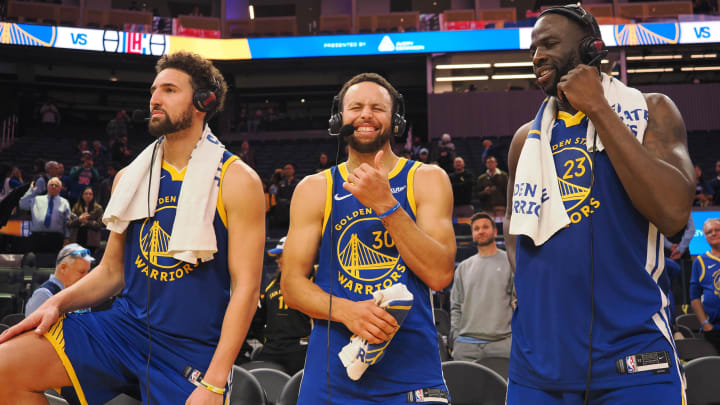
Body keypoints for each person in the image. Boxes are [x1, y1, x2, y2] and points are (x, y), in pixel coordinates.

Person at [0, 51, 265, 405]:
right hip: (123, 331)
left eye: (170, 90)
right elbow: (112, 271)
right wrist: (57, 303)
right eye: (154, 90)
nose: (155, 98)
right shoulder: (130, 175)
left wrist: (215, 383)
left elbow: (246, 290)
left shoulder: (237, 181)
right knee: (5, 368)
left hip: (190, 347)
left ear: (204, 101)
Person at [504, 5, 694, 404]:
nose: (537, 55)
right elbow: (513, 229)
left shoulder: (652, 109)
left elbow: (674, 214)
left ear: (592, 49)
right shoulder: (525, 139)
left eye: (550, 44)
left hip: (634, 358)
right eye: (533, 47)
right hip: (538, 363)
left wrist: (599, 109)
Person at [281, 73, 455, 404]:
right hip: (332, 376)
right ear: (339, 118)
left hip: (412, 374)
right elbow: (291, 285)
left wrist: (386, 205)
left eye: (377, 108)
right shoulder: (315, 188)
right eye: (355, 107)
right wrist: (347, 311)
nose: (365, 115)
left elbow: (439, 274)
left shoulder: (428, 179)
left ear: (396, 120)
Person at [450, 212, 513, 361]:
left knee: (505, 385)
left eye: (485, 227)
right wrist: (456, 336)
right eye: (476, 228)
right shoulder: (463, 267)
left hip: (502, 343)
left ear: (495, 231)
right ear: (472, 234)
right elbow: (456, 306)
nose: (481, 231)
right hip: (466, 345)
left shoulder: (510, 262)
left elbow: (518, 303)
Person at [253, 237, 313, 375]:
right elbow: (257, 321)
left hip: (300, 349)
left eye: (281, 255)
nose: (277, 260)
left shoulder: (313, 281)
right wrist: (268, 340)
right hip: (272, 349)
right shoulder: (271, 285)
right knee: (254, 376)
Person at [25, 243, 93, 317]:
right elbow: (33, 328)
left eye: (87, 272)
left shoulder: (82, 296)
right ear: (63, 268)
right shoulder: (44, 296)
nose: (86, 276)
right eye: (81, 272)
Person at [689, 218, 720, 352]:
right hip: (715, 330)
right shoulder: (700, 262)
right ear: (705, 237)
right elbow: (694, 297)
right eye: (708, 232)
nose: (713, 233)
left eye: (717, 230)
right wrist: (705, 324)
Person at [19, 176, 71, 252]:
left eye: (56, 185)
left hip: (56, 237)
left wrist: (67, 237)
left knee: (53, 261)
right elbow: (22, 204)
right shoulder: (37, 199)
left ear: (60, 189)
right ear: (47, 187)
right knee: (36, 261)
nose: (53, 187)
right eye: (51, 185)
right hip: (37, 236)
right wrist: (33, 190)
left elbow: (67, 221)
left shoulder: (64, 202)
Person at [67, 187, 104, 255]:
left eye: (90, 194)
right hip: (77, 239)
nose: (88, 196)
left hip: (92, 241)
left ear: (93, 196)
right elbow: (69, 223)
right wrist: (79, 220)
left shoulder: (98, 208)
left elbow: (99, 225)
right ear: (82, 195)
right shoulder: (76, 207)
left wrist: (87, 222)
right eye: (86, 193)